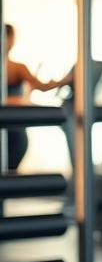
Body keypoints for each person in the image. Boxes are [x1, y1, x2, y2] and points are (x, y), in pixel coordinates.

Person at [3, 23, 72, 170]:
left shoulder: (18, 67)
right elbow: (42, 87)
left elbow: (39, 87)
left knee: (9, 174)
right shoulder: (17, 67)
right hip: (13, 129)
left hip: (16, 130)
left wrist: (64, 80)